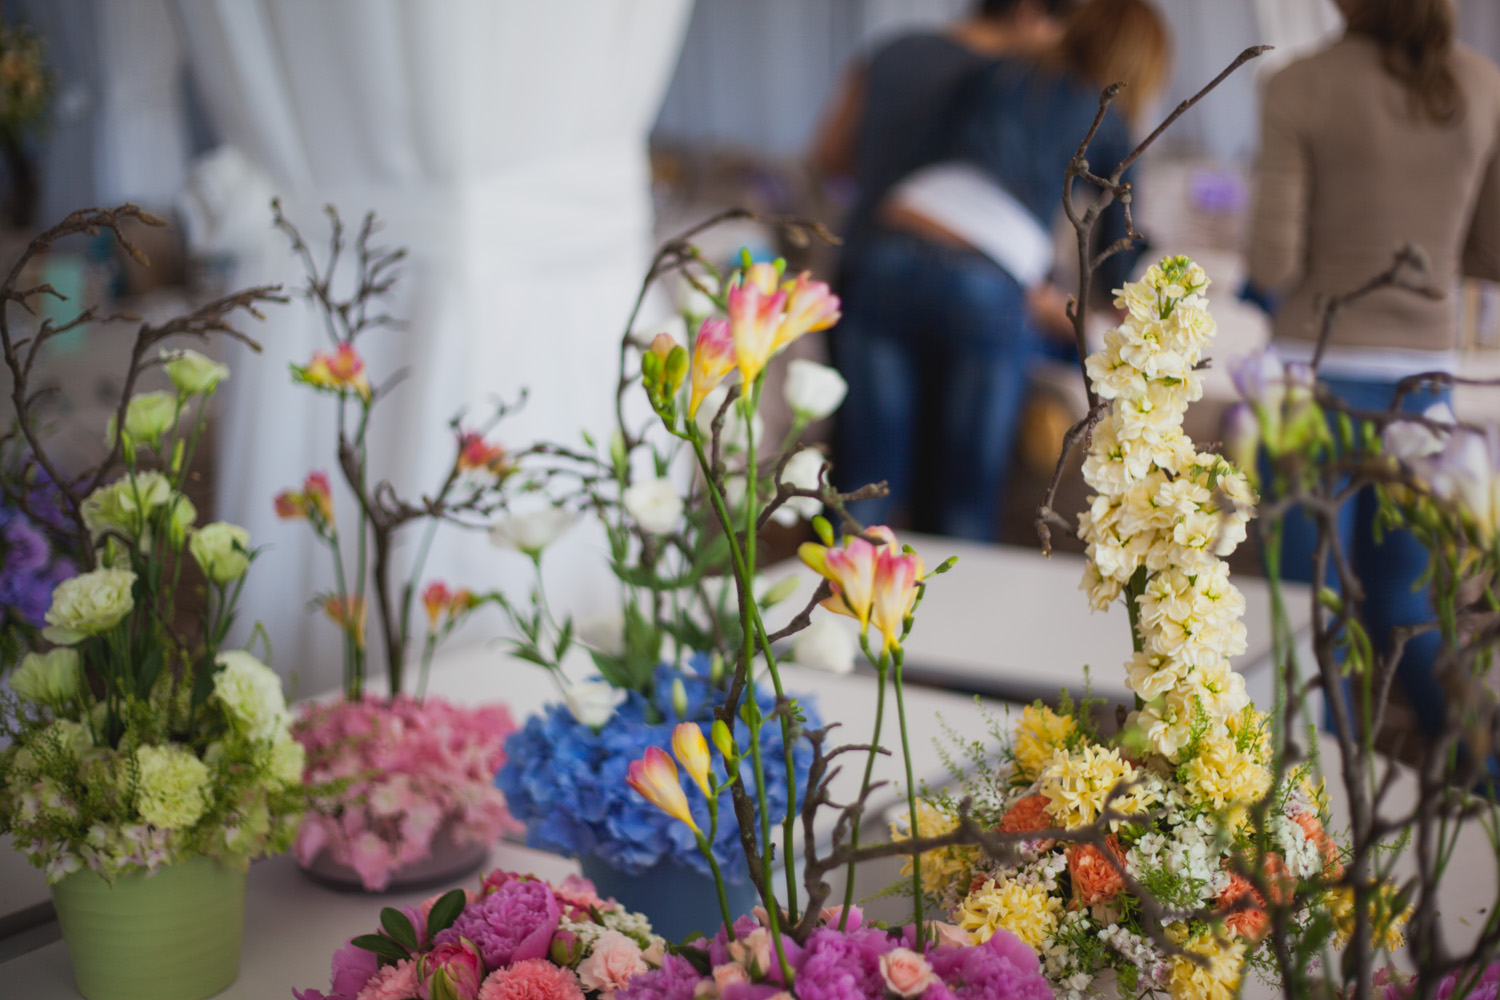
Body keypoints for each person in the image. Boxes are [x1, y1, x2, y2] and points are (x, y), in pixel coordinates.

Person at [819, 0, 1168, 540]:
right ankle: (951, 617)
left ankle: (831, 617)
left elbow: (897, 162)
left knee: (864, 487)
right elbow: (1120, 248)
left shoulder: (994, 72)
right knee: (961, 501)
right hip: (984, 280)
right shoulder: (1109, 114)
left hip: (888, 247)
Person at [1246, 0, 1500, 741]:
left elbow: (1272, 261)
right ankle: (1479, 774)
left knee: (1306, 608)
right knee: (1408, 605)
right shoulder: (1484, 84)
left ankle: (1321, 809)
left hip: (1307, 379)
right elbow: (1490, 254)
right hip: (1421, 388)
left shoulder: (1299, 84)